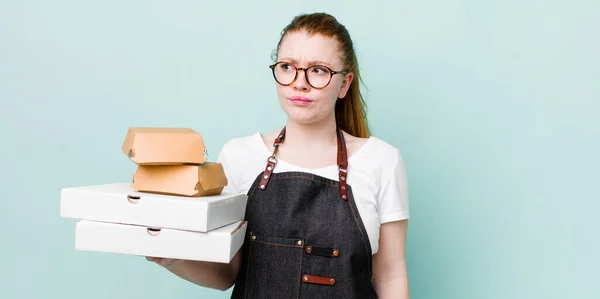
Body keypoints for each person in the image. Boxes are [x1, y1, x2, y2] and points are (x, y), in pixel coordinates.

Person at [146, 12, 410, 299]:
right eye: (287, 67)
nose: (300, 82)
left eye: (318, 70)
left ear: (344, 84)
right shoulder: (238, 156)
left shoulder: (382, 161)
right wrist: (171, 257)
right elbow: (226, 275)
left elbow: (390, 275)